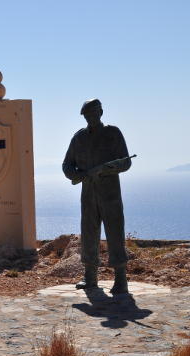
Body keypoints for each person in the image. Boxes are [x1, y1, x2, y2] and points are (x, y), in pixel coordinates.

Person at [62, 99, 132, 294]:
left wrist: (107, 170)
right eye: (87, 115)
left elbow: (126, 162)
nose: (90, 117)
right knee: (89, 234)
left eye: (93, 113)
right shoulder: (79, 138)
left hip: (110, 194)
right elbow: (67, 165)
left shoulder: (113, 133)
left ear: (101, 112)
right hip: (88, 193)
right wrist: (78, 175)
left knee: (115, 234)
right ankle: (90, 277)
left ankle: (120, 279)